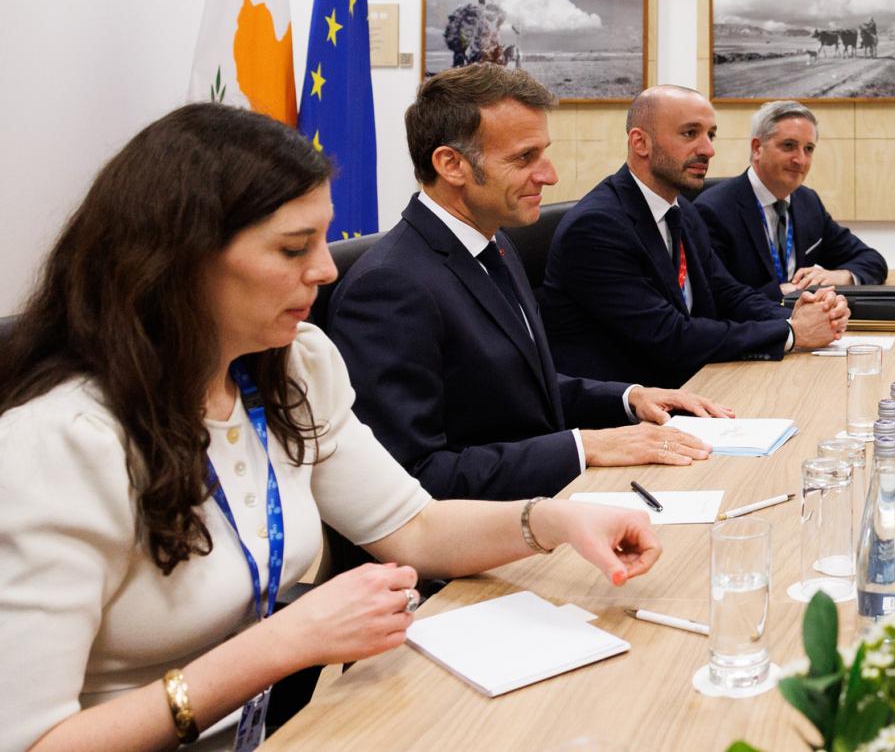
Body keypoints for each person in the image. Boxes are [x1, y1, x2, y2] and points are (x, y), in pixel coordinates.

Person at [0, 104, 659, 751]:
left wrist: (555, 521)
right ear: (176, 261)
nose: (325, 269)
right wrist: (281, 645)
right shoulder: (62, 444)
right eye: (293, 248)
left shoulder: (293, 368)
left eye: (322, 239)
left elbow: (416, 528)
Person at [327, 65, 728, 502]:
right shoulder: (390, 287)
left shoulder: (494, 244)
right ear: (451, 164)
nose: (550, 175)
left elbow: (516, 387)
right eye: (524, 158)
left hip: (540, 503)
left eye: (544, 153)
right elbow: (414, 478)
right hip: (474, 548)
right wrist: (585, 446)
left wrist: (629, 398)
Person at [539, 85, 849, 387]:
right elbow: (669, 335)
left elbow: (727, 293)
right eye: (690, 134)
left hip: (695, 384)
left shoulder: (682, 211)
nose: (708, 149)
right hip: (624, 413)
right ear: (640, 142)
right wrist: (791, 332)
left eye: (710, 135)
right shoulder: (597, 226)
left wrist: (799, 311)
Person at [694, 100, 887, 301]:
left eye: (809, 149)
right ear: (757, 148)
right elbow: (714, 298)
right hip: (753, 327)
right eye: (789, 146)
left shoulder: (807, 202)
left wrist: (840, 276)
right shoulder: (713, 210)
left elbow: (873, 261)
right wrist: (780, 293)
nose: (801, 160)